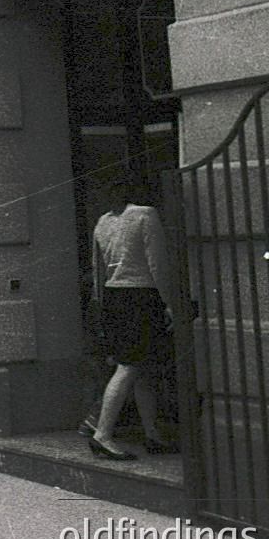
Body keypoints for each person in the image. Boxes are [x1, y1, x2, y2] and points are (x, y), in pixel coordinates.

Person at [87, 184, 177, 461]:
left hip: (113, 296)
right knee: (130, 366)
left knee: (141, 367)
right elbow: (157, 263)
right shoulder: (146, 215)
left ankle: (152, 434)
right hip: (141, 295)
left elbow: (97, 268)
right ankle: (102, 435)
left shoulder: (103, 221)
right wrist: (170, 302)